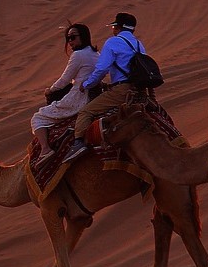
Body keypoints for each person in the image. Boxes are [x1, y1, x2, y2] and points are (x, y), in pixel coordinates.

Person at [63, 12, 147, 162]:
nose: (113, 29)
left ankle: (78, 143)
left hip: (122, 91)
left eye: (114, 26)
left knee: (85, 112)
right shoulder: (139, 44)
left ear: (117, 27)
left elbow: (102, 69)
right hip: (139, 91)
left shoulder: (113, 42)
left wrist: (87, 84)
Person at [31, 23, 100, 164]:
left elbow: (65, 79)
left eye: (73, 37)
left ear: (83, 36)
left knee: (38, 117)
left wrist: (50, 90)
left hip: (78, 98)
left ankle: (45, 150)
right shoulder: (96, 54)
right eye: (68, 38)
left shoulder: (78, 55)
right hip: (94, 95)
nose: (70, 42)